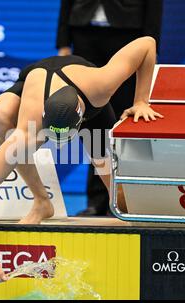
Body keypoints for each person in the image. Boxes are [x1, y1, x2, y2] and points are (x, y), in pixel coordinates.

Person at [0, 36, 163, 283]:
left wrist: (140, 101)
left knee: (122, 203)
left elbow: (147, 43)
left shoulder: (101, 85)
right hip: (36, 78)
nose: (61, 145)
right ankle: (42, 201)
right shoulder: (29, 128)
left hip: (85, 92)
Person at [56, 0, 163, 217]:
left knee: (123, 122)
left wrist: (154, 50)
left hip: (127, 32)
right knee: (92, 120)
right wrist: (63, 43)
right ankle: (96, 200)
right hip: (84, 32)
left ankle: (125, 201)